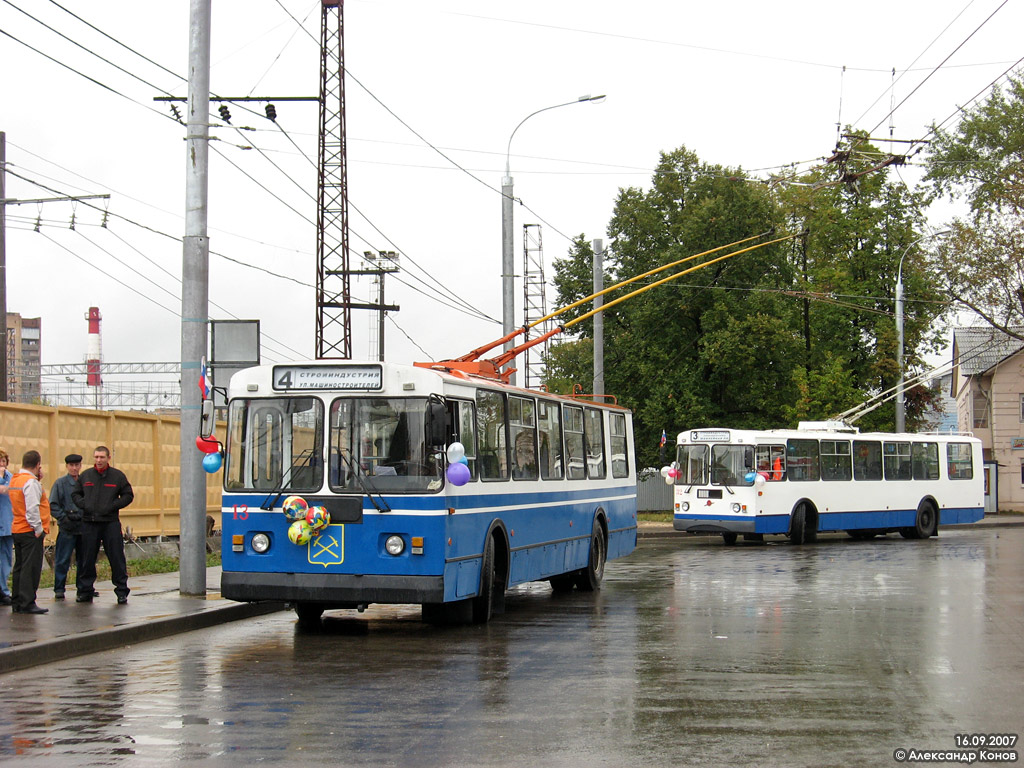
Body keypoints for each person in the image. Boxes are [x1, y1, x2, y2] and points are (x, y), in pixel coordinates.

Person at [72, 446, 134, 605]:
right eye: (96, 457)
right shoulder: (86, 476)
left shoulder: (117, 476)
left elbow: (128, 495)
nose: (99, 460)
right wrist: (85, 504)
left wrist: (113, 505)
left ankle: (121, 591)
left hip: (110, 523)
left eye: (102, 457)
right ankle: (85, 591)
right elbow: (75, 494)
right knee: (87, 559)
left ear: (108, 458)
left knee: (117, 558)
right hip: (89, 523)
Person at [9, 450, 50, 614]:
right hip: (30, 530)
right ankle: (27, 602)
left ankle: (17, 601)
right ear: (38, 465)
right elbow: (32, 508)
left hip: (17, 528)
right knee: (30, 567)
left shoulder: (16, 479)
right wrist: (39, 529)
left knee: (19, 566)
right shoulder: (31, 483)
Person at [50, 453, 88, 600]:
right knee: (63, 560)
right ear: (66, 466)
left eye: (77, 465)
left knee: (84, 560)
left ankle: (83, 588)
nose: (74, 468)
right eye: (71, 465)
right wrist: (64, 518)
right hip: (67, 528)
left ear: (80, 466)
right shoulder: (60, 484)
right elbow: (53, 504)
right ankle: (59, 589)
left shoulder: (85, 482)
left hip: (83, 527)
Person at [0, 449, 14, 606]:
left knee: (6, 559)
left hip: (8, 524)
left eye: (3, 461)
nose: (1, 465)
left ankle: (4, 590)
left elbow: (11, 489)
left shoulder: (10, 477)